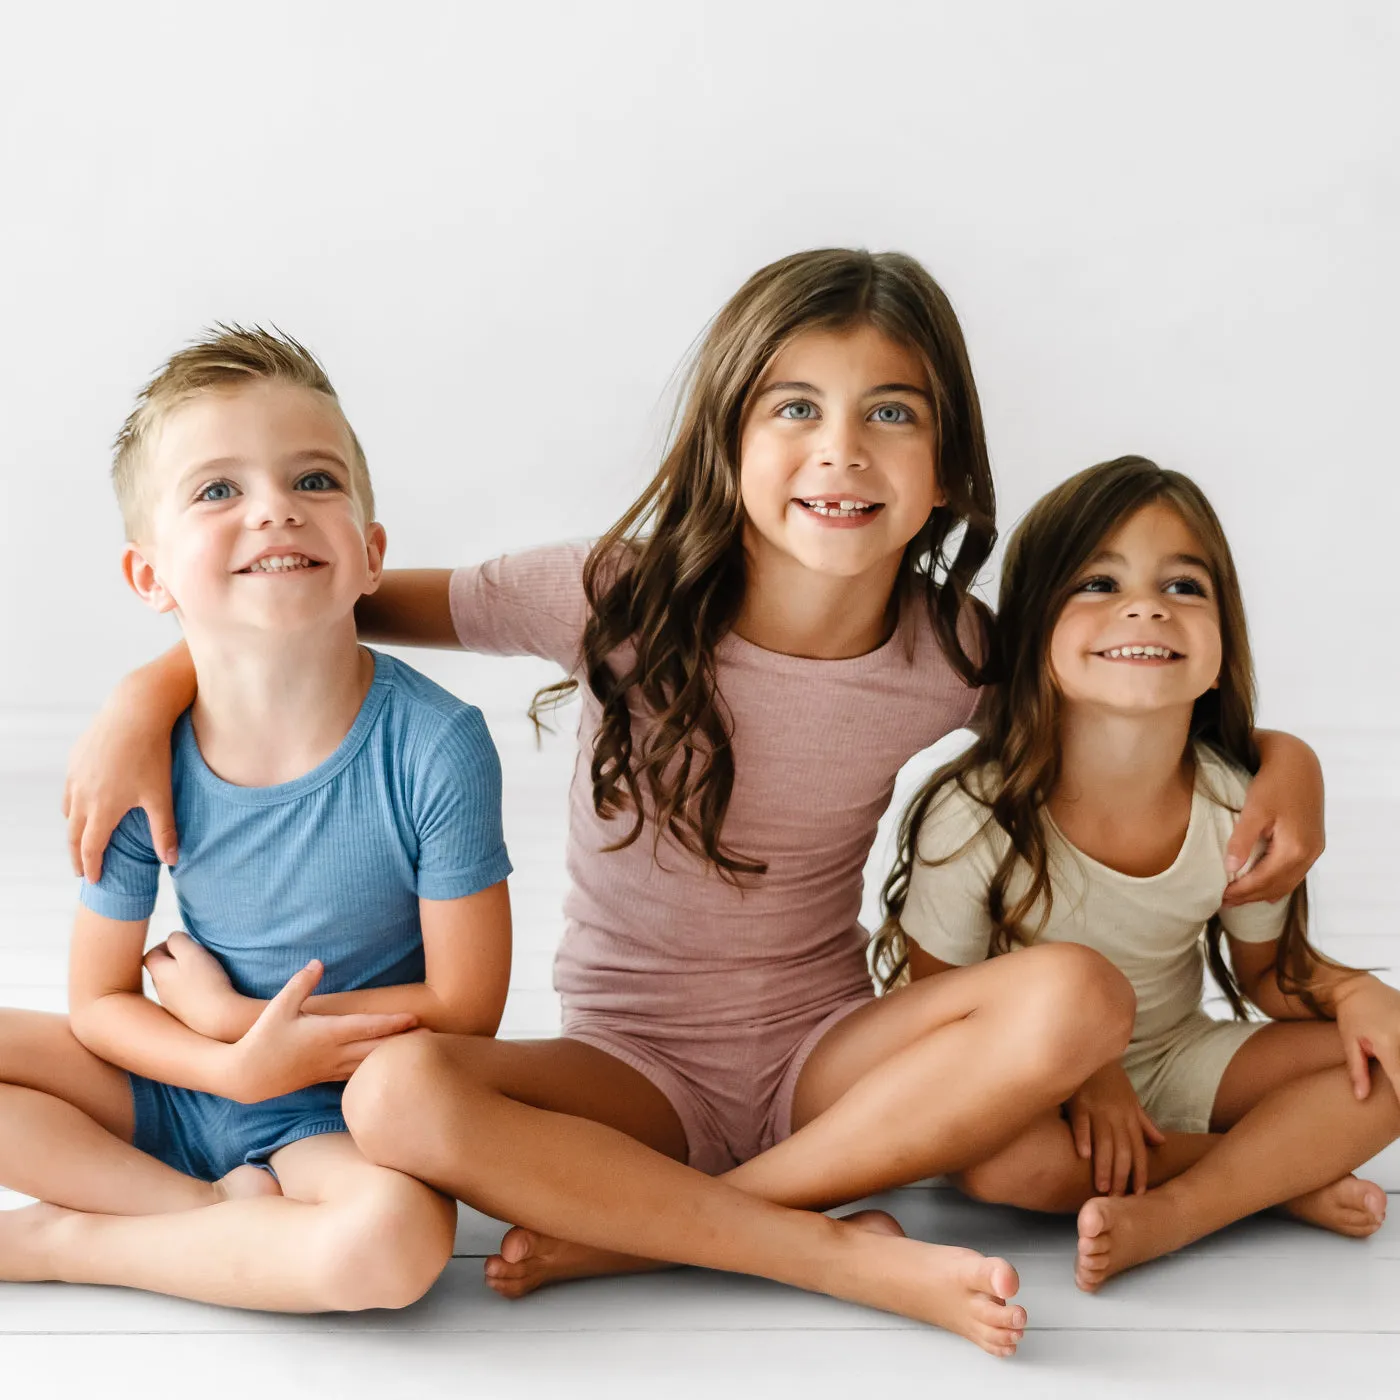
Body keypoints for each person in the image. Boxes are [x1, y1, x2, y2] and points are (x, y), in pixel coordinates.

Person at [63, 252, 1324, 1353]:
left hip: (826, 1055)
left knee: (1080, 997)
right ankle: (823, 1246)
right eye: (794, 406)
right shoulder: (612, 592)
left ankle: (683, 1227)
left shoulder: (954, 646)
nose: (840, 448)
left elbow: (1118, 692)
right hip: (623, 1066)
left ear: (946, 472)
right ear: (726, 441)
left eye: (891, 411)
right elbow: (311, 601)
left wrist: (1288, 762)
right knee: (394, 1097)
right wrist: (144, 689)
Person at [0, 327, 512, 1310]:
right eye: (217, 489)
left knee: (393, 1249)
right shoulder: (143, 753)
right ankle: (198, 1208)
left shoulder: (434, 744)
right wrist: (224, 1064)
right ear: (149, 576)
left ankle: (69, 1240)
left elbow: (465, 1006)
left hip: (339, 1107)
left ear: (369, 554)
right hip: (180, 1079)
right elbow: (99, 1000)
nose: (275, 507)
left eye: (314, 480)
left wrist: (245, 1028)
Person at [873, 456, 1398, 1291]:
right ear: (1034, 637)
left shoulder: (1236, 807)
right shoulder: (977, 816)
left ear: (1223, 651)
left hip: (1179, 1054)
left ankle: (1187, 1207)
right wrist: (1083, 1071)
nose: (1147, 605)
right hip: (1026, 1082)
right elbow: (935, 1013)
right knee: (1005, 1169)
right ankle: (1265, 1180)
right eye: (1098, 582)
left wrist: (1354, 995)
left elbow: (1267, 976)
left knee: (1380, 1074)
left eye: (1185, 587)